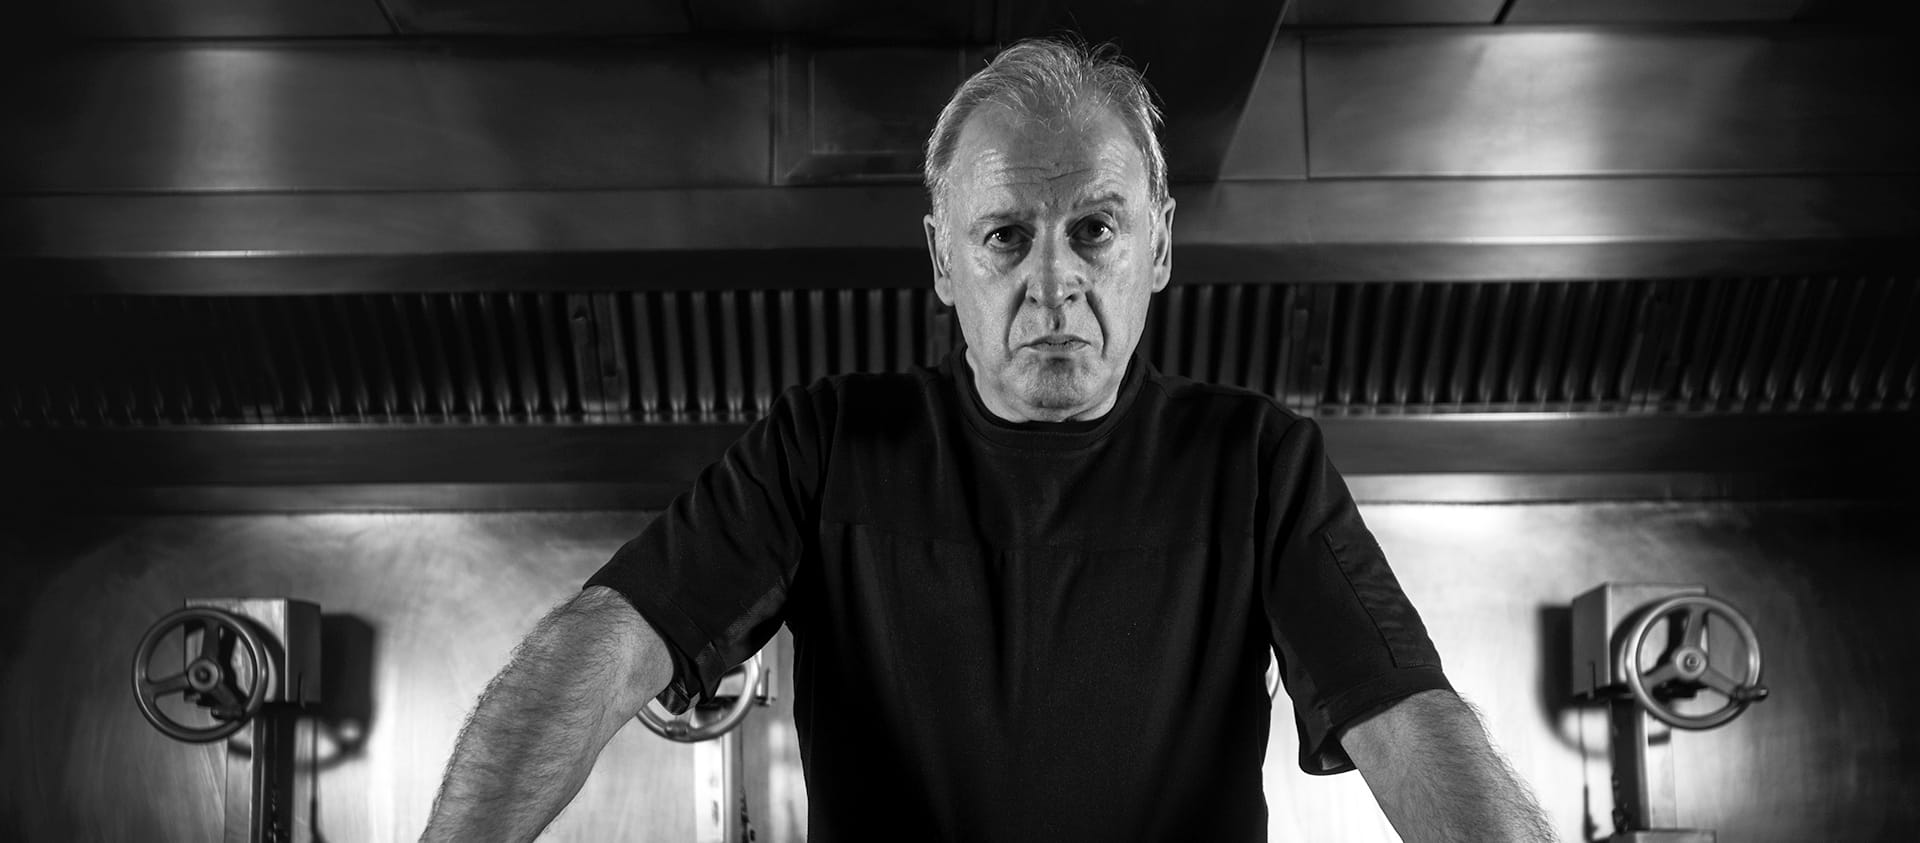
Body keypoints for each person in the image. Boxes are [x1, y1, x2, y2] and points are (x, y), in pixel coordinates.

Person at [424, 37, 1555, 843]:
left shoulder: (1256, 463)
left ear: (1160, 244)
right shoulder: (825, 445)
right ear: (942, 258)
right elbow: (613, 640)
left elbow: (1405, 718)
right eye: (1007, 236)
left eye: (1095, 228)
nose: (1052, 282)